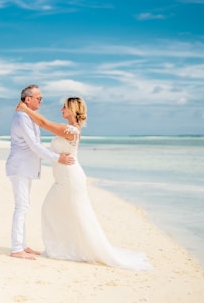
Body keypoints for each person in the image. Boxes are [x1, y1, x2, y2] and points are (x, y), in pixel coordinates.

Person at [16, 97, 152, 270]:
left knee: (71, 213)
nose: (61, 109)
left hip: (70, 179)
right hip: (63, 179)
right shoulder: (69, 129)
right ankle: (63, 248)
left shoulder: (70, 130)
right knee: (57, 211)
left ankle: (68, 250)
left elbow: (43, 123)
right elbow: (43, 125)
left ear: (72, 110)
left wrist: (25, 109)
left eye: (64, 107)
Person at [6, 84, 75, 261]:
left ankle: (22, 245)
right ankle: (16, 248)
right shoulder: (22, 117)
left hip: (26, 167)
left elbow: (37, 139)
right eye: (39, 98)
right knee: (21, 206)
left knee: (24, 205)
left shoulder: (28, 116)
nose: (41, 101)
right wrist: (56, 157)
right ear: (27, 99)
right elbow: (34, 145)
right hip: (20, 167)